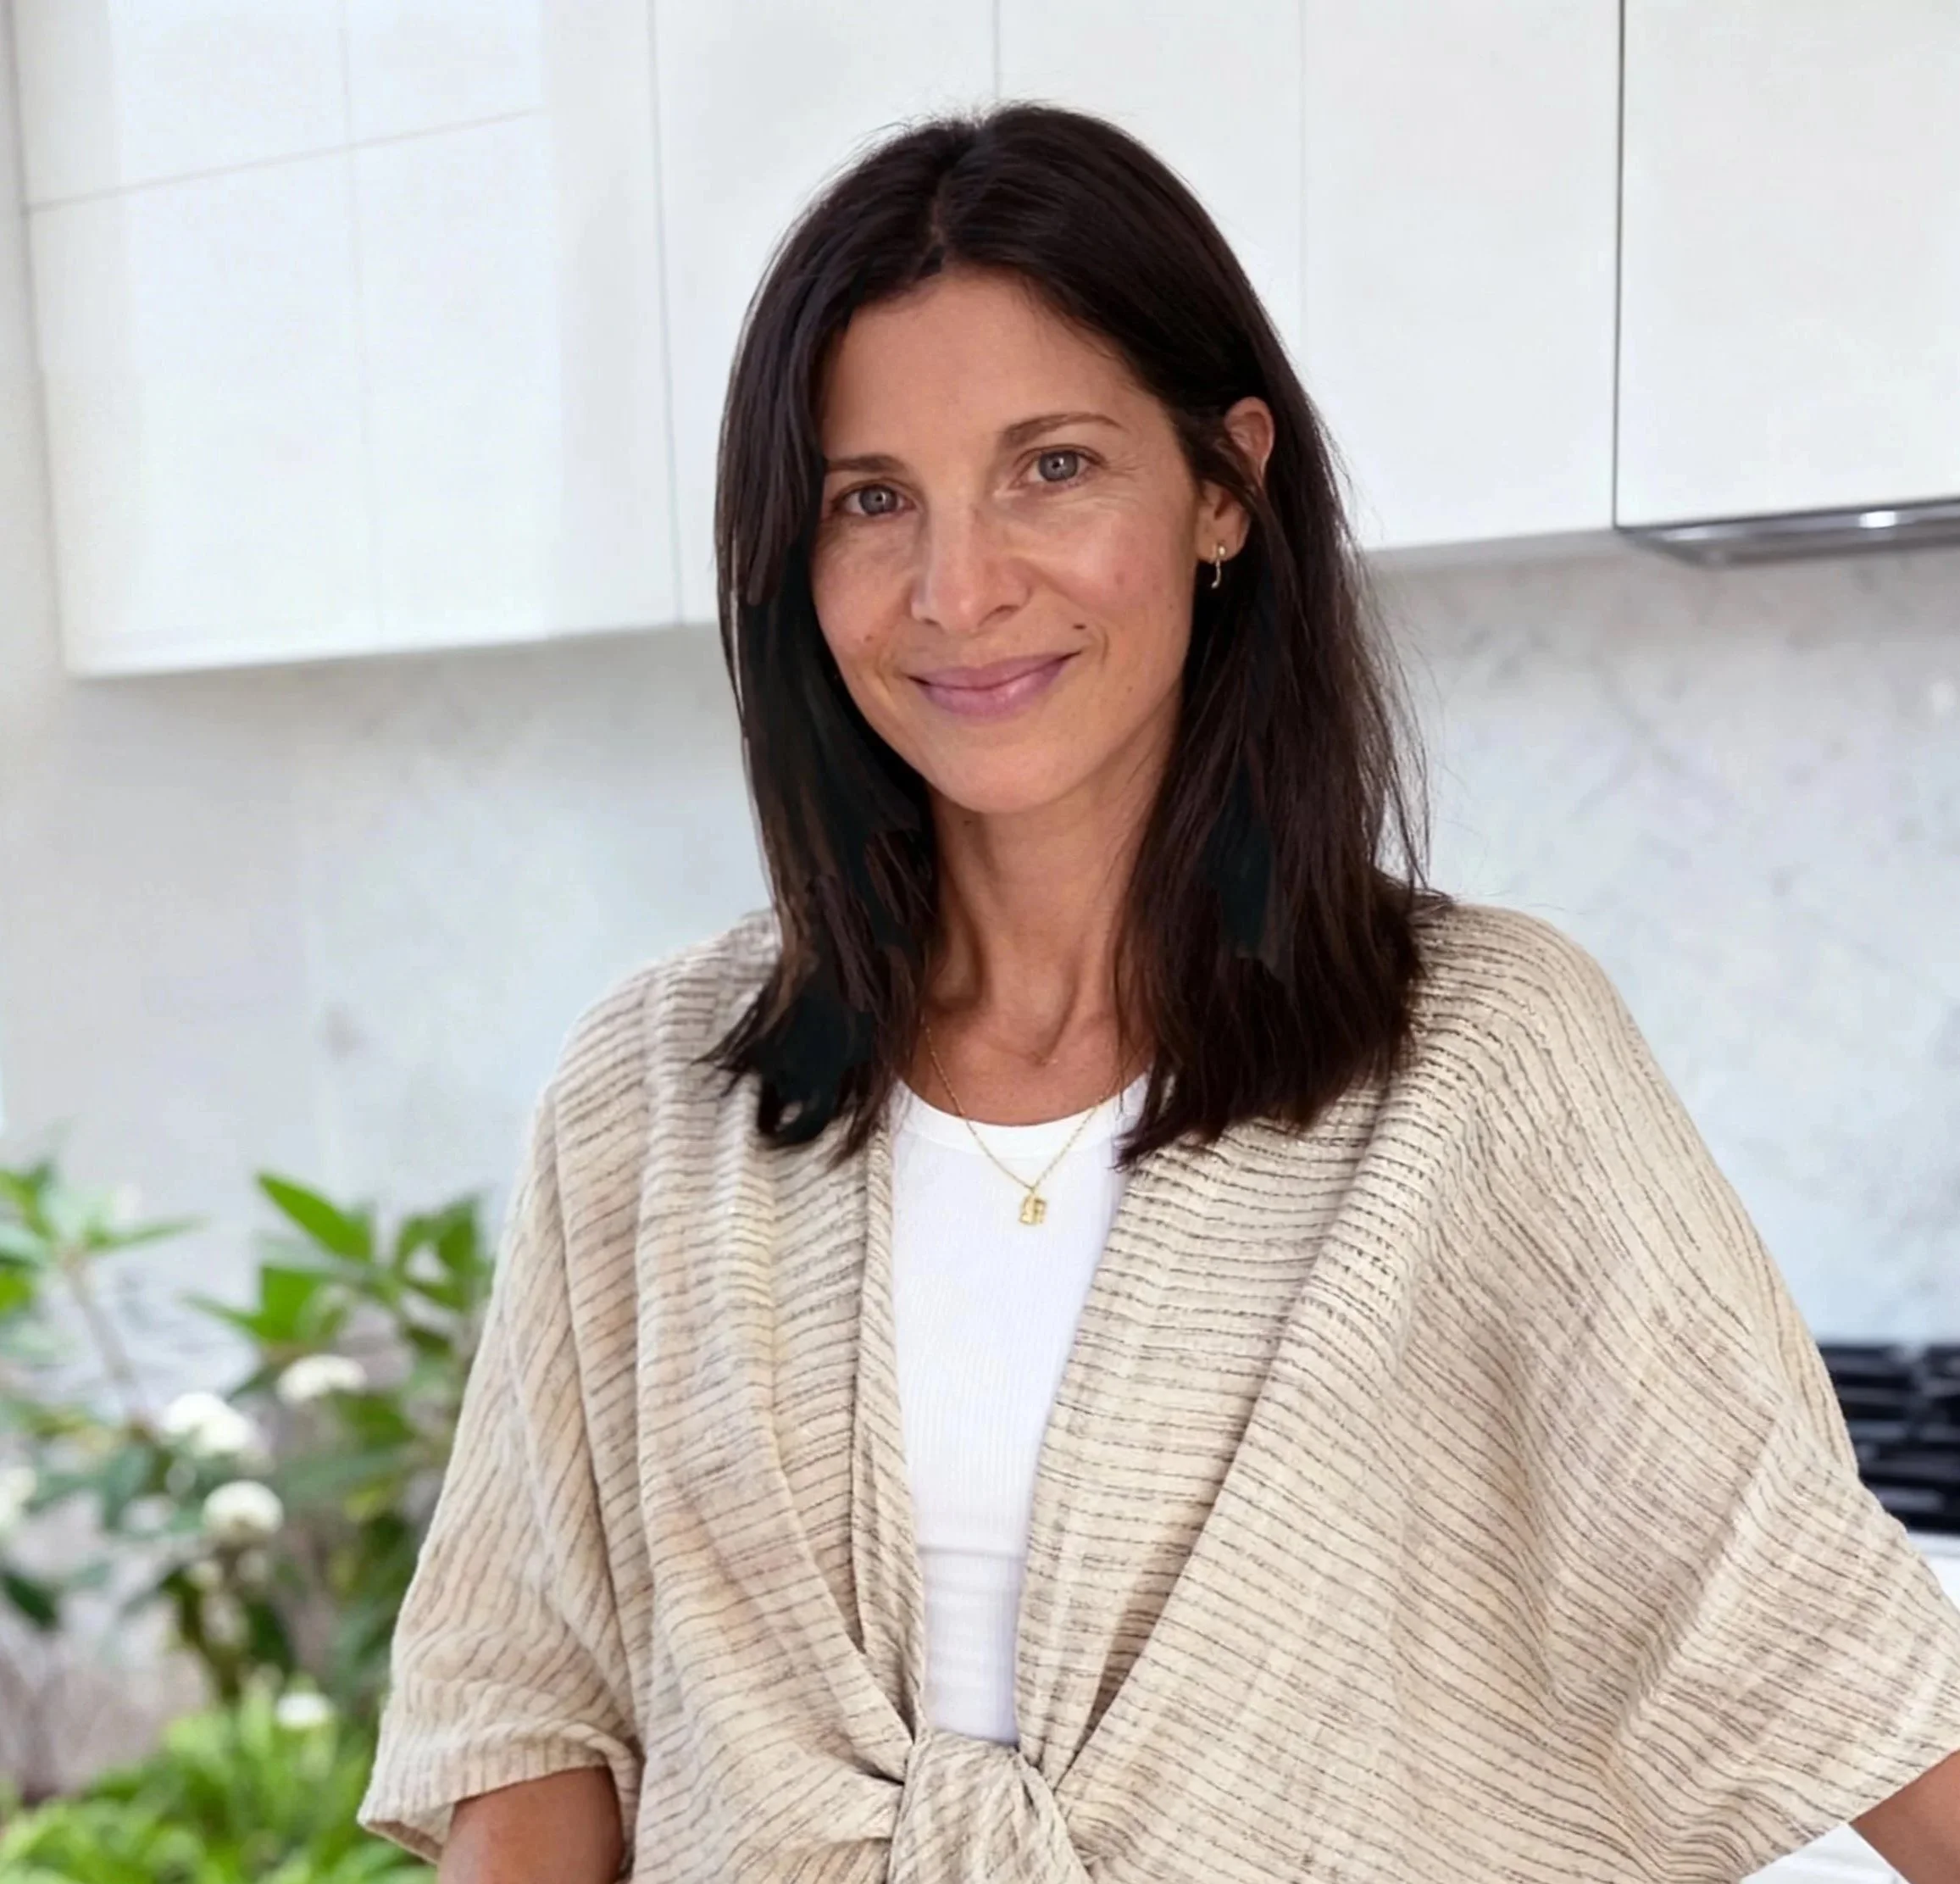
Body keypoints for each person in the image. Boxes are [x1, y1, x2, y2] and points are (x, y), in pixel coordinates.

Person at [355, 103, 1960, 1883]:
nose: (958, 589)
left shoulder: (1482, 1058)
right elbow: (527, 1718)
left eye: (1051, 466)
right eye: (871, 498)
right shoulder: (654, 1089)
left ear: (1220, 486)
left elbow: (1826, 1650)